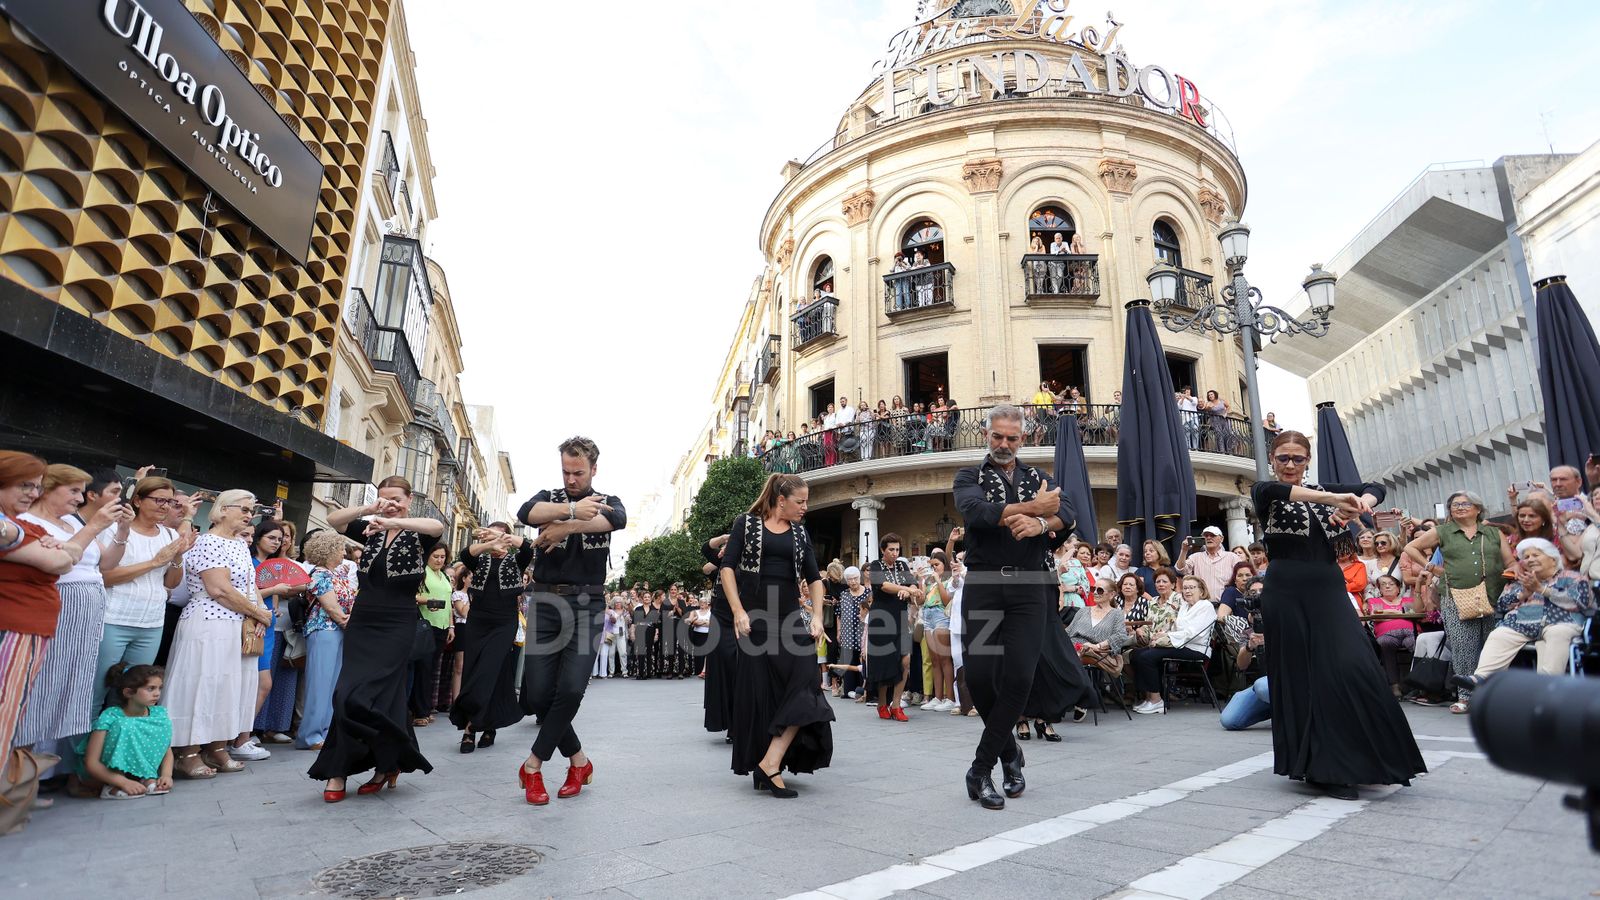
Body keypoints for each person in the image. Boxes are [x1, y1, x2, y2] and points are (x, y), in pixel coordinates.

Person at [1252, 430, 1425, 800]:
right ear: (1272, 459)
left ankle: (1367, 757)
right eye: (1283, 457)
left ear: (1307, 460)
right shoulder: (1265, 490)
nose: (1290, 465)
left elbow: (1375, 486)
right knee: (1302, 676)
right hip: (1286, 590)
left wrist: (1360, 502)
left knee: (1351, 664)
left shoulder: (1321, 488)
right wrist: (1335, 498)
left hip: (1329, 588)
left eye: (1298, 458)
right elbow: (1287, 493)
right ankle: (1320, 767)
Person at [952, 404, 1075, 810]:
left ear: (1025, 438)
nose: (1004, 444)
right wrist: (1034, 509)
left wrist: (1042, 524)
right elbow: (978, 513)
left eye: (1012, 438)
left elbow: (1070, 513)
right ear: (987, 435)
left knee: (1020, 678)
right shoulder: (968, 475)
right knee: (982, 678)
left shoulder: (1040, 478)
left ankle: (980, 769)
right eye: (997, 437)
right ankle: (1010, 753)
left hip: (1030, 588)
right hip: (985, 585)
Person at [310, 476, 445, 802]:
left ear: (409, 500)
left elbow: (437, 525)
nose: (390, 503)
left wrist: (395, 518)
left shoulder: (419, 535)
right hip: (363, 621)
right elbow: (332, 521)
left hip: (397, 623)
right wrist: (371, 510)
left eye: (397, 498)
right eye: (385, 498)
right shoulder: (370, 530)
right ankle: (345, 769)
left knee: (382, 695)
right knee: (345, 693)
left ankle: (381, 765)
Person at [516, 437, 626, 805]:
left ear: (594, 469)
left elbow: (615, 520)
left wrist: (568, 525)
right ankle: (578, 761)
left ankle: (533, 765)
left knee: (572, 690)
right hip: (545, 600)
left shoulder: (608, 501)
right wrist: (570, 510)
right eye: (566, 471)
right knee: (538, 694)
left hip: (587, 603)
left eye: (578, 472)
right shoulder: (549, 496)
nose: (571, 478)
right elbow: (527, 514)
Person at [719, 474, 833, 798]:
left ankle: (770, 762)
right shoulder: (747, 523)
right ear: (781, 500)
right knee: (761, 694)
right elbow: (727, 568)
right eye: (800, 501)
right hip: (754, 619)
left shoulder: (800, 532)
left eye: (807, 501)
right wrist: (738, 611)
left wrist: (816, 616)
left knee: (806, 683)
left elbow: (815, 577)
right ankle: (765, 764)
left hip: (789, 620)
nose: (805, 507)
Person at [14, 465, 131, 767]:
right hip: (56, 609)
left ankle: (39, 772)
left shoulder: (69, 522)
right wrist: (94, 526)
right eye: (74, 490)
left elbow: (105, 563)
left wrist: (121, 530)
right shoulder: (26, 521)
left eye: (82, 491)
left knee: (66, 687)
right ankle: (20, 772)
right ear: (48, 489)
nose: (80, 498)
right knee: (40, 687)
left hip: (85, 614)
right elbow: (60, 562)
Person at [166, 490, 272, 779]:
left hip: (237, 624)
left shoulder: (239, 544)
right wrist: (256, 612)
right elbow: (219, 588)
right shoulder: (208, 541)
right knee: (202, 684)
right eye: (245, 509)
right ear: (223, 510)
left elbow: (249, 585)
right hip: (209, 622)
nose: (250, 515)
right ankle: (187, 752)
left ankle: (217, 747)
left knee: (230, 688)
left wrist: (261, 612)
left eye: (253, 510)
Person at [0, 452, 79, 787]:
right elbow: (56, 563)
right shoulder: (12, 525)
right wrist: (53, 552)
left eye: (36, 486)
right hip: (14, 627)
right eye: (23, 485)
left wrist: (57, 550)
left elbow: (68, 557)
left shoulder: (22, 523)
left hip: (27, 627)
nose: (32, 493)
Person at [1402, 490, 1512, 714]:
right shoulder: (1442, 531)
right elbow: (1409, 547)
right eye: (1455, 505)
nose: (1459, 507)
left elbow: (1509, 560)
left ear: (1478, 509)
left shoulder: (1492, 533)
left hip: (1492, 595)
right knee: (1463, 647)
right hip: (1455, 596)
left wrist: (1514, 572)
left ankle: (1494, 694)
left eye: (1465, 504)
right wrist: (1431, 567)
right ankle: (1465, 697)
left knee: (1493, 646)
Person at [1450, 537, 1593, 689]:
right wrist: (1522, 594)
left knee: (1557, 633)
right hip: (1522, 624)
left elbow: (1581, 602)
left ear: (1552, 558)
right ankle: (1482, 678)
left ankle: (1548, 687)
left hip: (1561, 622)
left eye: (1535, 555)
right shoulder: (1520, 581)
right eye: (1526, 557)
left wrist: (1542, 590)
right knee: (1500, 633)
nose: (1530, 560)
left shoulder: (1573, 577)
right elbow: (1502, 605)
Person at [97, 476, 189, 704]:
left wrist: (177, 556)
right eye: (159, 500)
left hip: (151, 623)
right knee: (97, 690)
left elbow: (171, 583)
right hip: (113, 619)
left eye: (170, 502)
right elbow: (104, 577)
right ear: (137, 500)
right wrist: (154, 562)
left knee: (132, 695)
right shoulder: (114, 529)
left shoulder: (169, 535)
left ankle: (118, 740)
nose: (165, 506)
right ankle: (87, 740)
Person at [452, 524, 533, 752]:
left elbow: (527, 549)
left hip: (504, 621)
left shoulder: (517, 560)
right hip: (478, 620)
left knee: (490, 667)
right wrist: (489, 543)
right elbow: (465, 554)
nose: (494, 539)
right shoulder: (481, 560)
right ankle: (488, 726)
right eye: (490, 533)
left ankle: (470, 727)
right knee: (474, 668)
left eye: (498, 534)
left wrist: (503, 538)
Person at [76, 663, 172, 799]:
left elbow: (166, 750)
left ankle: (146, 777)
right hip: (103, 774)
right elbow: (91, 762)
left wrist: (166, 775)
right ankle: (112, 785)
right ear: (128, 692)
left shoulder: (158, 715)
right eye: (150, 689)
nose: (157, 693)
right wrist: (123, 782)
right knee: (125, 725)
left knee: (151, 724)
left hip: (142, 772)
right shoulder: (111, 717)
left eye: (159, 688)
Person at [297, 530, 355, 750]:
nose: (344, 552)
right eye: (340, 548)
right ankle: (310, 735)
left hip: (337, 631)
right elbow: (331, 606)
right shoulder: (319, 574)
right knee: (319, 684)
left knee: (332, 684)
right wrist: (347, 621)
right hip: (324, 630)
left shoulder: (336, 574)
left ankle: (325, 731)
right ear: (330, 550)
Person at [1128, 576, 1215, 714]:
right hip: (1179, 644)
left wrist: (1168, 636)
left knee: (1147, 657)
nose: (1187, 591)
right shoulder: (1185, 606)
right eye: (1185, 588)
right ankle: (1148, 697)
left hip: (1195, 648)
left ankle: (1156, 700)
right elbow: (1176, 628)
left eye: (1191, 587)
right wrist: (1162, 634)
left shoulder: (1205, 606)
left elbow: (1194, 633)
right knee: (1136, 654)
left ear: (1202, 590)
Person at [865, 533, 920, 721]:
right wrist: (905, 588)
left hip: (901, 617)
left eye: (897, 549)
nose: (895, 553)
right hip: (881, 619)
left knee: (905, 660)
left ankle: (896, 705)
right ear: (883, 550)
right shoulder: (875, 565)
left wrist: (912, 588)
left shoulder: (902, 565)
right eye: (891, 550)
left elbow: (911, 581)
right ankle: (882, 703)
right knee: (885, 662)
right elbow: (884, 586)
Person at [410, 543, 454, 726]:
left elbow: (449, 601)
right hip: (426, 626)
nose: (439, 560)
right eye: (435, 556)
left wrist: (451, 626)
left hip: (442, 626)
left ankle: (425, 708)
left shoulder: (444, 575)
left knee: (432, 670)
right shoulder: (422, 573)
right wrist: (429, 601)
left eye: (442, 557)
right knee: (423, 668)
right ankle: (418, 712)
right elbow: (413, 596)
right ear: (428, 556)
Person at [919, 555, 957, 711]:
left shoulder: (949, 580)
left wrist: (938, 580)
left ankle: (950, 698)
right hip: (928, 617)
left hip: (941, 616)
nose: (934, 568)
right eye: (932, 565)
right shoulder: (929, 582)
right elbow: (921, 601)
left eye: (937, 564)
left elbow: (947, 600)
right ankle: (938, 697)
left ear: (944, 565)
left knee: (944, 659)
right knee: (934, 659)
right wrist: (920, 581)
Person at [1367, 574, 1416, 695]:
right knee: (1385, 643)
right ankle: (1394, 685)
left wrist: (1386, 614)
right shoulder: (1374, 601)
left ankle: (1418, 684)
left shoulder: (1408, 600)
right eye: (1383, 584)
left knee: (1416, 643)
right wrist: (1399, 612)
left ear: (1399, 588)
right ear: (1380, 589)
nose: (1387, 586)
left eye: (1391, 584)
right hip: (1387, 635)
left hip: (1409, 633)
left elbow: (1411, 614)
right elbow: (1376, 615)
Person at [1178, 526, 1234, 600]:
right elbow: (1181, 569)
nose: (1208, 538)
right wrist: (1184, 550)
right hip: (1202, 605)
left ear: (1221, 539)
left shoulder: (1232, 557)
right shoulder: (1195, 557)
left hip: (1225, 606)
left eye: (1212, 535)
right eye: (1206, 535)